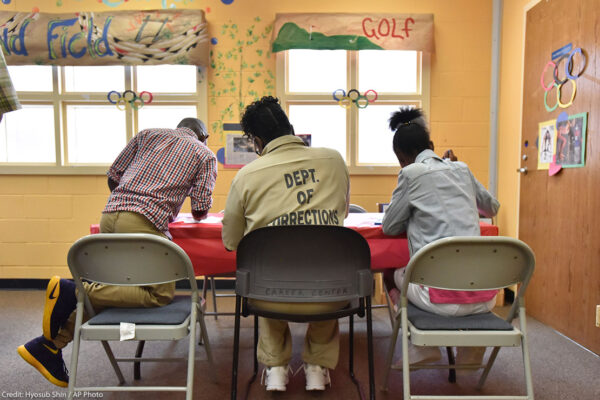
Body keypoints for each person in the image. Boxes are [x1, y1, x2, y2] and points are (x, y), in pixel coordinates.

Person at [17, 118, 217, 387]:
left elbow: (114, 176)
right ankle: (75, 292)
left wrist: (129, 201)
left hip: (109, 215)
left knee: (120, 289)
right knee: (160, 295)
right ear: (203, 137)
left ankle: (49, 345)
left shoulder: (148, 134)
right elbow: (201, 207)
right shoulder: (203, 153)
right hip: (144, 223)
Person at [222, 96, 349, 392]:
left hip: (270, 295)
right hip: (332, 291)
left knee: (266, 269)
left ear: (256, 140)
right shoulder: (333, 159)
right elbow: (341, 211)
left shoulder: (246, 176)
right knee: (325, 264)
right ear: (291, 128)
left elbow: (231, 242)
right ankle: (317, 368)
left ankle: (276, 368)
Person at [382, 107, 499, 369]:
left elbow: (390, 227)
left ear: (401, 157)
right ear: (431, 146)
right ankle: (471, 346)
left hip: (437, 298)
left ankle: (421, 344)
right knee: (446, 272)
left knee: (391, 272)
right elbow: (491, 208)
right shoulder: (461, 168)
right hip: (484, 295)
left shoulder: (410, 174)